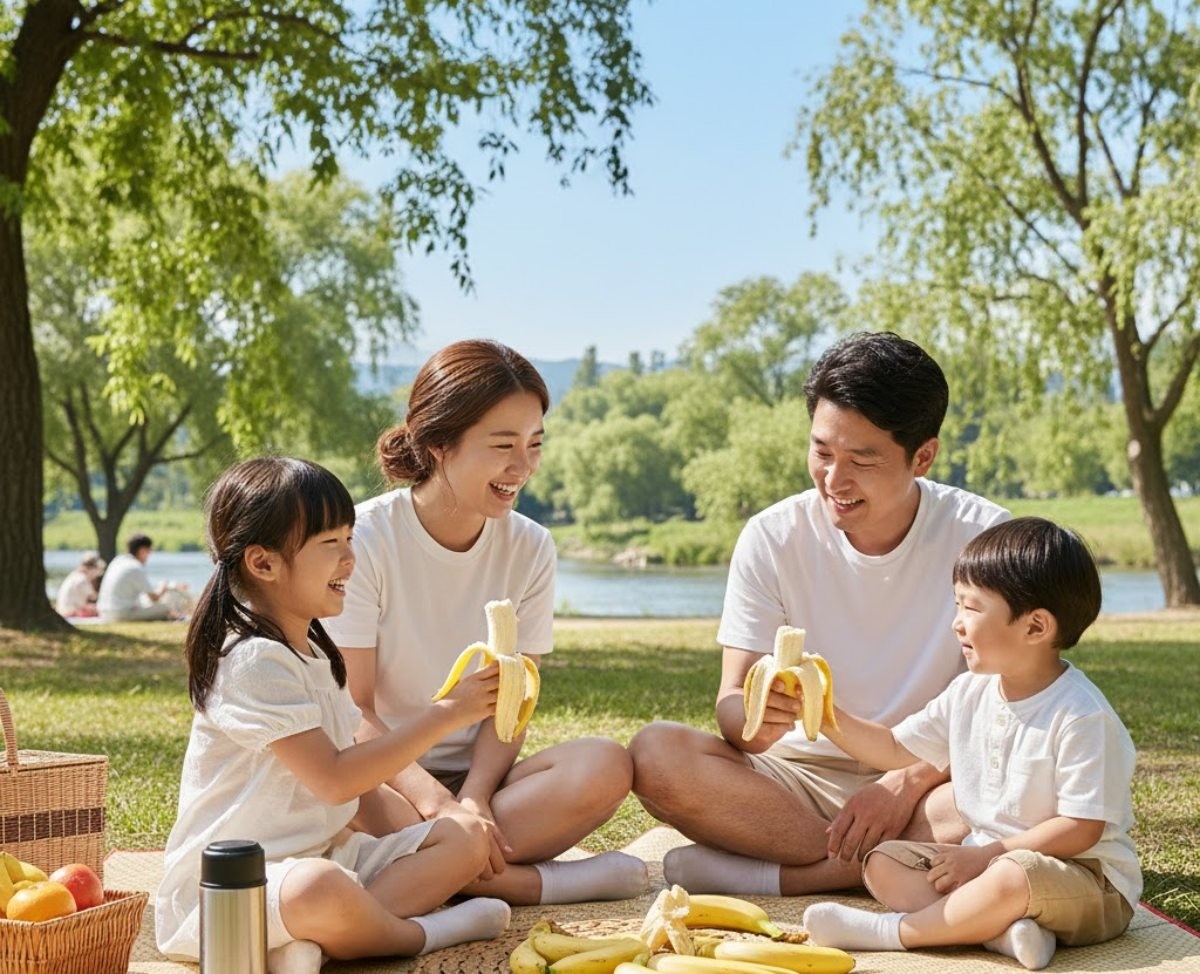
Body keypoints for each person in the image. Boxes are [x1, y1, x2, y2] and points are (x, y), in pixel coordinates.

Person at [629, 331, 1010, 896]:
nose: (834, 481)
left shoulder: (987, 538)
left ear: (922, 456)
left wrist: (902, 783)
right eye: (822, 452)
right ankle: (857, 863)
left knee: (1024, 782)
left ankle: (795, 875)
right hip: (789, 782)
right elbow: (731, 702)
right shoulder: (772, 537)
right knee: (655, 754)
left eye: (862, 459)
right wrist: (761, 719)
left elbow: (1003, 708)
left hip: (930, 784)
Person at [156, 457, 511, 974]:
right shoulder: (254, 659)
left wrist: (432, 825)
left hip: (324, 858)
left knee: (465, 837)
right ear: (264, 563)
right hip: (233, 889)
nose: (351, 558)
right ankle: (419, 934)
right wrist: (445, 714)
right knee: (319, 889)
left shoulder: (315, 655)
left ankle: (315, 939)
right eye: (331, 545)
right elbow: (334, 779)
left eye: (351, 539)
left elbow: (363, 779)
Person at [323, 339, 645, 907]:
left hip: (485, 787)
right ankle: (537, 885)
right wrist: (436, 804)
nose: (521, 467)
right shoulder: (365, 540)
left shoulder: (530, 547)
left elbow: (512, 703)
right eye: (502, 446)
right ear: (439, 444)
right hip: (383, 778)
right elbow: (355, 710)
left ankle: (440, 868)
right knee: (337, 805)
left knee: (604, 765)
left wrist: (472, 798)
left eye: (534, 445)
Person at [802, 517, 1140, 971]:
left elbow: (1082, 828)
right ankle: (999, 931)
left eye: (972, 608)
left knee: (1010, 878)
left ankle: (895, 933)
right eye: (956, 606)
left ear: (1036, 627)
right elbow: (893, 749)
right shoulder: (969, 693)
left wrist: (986, 857)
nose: (957, 624)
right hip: (983, 860)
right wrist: (822, 713)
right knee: (883, 862)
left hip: (1084, 878)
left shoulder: (1081, 715)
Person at [97, 532, 174, 621]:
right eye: (149, 551)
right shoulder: (135, 567)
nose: (148, 556)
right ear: (142, 550)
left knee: (144, 601)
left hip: (103, 611)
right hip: (119, 614)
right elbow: (154, 598)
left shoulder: (118, 560)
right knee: (165, 607)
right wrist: (163, 587)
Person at [55, 551, 106, 617]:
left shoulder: (74, 575)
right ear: (93, 568)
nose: (98, 574)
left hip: (63, 610)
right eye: (98, 570)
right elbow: (95, 597)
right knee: (100, 609)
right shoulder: (82, 580)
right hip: (70, 612)